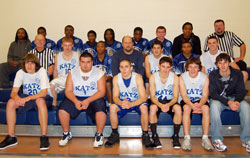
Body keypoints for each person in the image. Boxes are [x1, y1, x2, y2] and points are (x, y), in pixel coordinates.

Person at [0, 54, 52, 150]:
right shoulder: (20, 72)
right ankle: (11, 137)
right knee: (11, 102)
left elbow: (43, 93)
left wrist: (27, 99)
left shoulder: (42, 71)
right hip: (27, 97)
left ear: (36, 64)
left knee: (40, 101)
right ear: (24, 64)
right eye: (27, 63)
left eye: (32, 63)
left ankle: (44, 137)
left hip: (43, 98)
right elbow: (13, 93)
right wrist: (17, 98)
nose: (29, 66)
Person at [58, 53, 107, 148]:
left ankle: (99, 134)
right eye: (83, 62)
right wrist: (76, 101)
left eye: (88, 62)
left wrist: (88, 101)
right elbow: (68, 91)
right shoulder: (72, 72)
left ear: (92, 62)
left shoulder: (99, 72)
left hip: (93, 97)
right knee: (62, 110)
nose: (85, 65)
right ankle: (66, 133)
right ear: (79, 62)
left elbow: (101, 92)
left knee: (101, 110)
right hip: (76, 97)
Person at [105, 59, 152, 149]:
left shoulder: (137, 77)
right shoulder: (116, 78)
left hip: (137, 102)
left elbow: (143, 97)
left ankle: (145, 135)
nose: (124, 69)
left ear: (131, 68)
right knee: (112, 107)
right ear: (119, 68)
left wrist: (131, 104)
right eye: (121, 67)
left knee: (144, 108)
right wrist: (121, 103)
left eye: (126, 67)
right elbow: (115, 97)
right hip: (123, 102)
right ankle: (115, 134)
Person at [209, 53, 250, 152]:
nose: (223, 66)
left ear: (229, 63)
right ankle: (217, 140)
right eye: (220, 63)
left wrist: (235, 101)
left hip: (235, 99)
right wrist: (228, 102)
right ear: (217, 64)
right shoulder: (213, 75)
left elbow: (241, 91)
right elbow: (213, 94)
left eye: (225, 63)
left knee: (246, 107)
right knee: (214, 106)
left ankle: (247, 139)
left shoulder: (237, 73)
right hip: (220, 100)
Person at [179, 57, 213, 151]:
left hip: (200, 100)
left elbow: (205, 95)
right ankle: (187, 138)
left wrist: (199, 104)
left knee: (206, 108)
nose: (193, 69)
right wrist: (192, 105)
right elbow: (184, 95)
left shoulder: (204, 77)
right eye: (190, 67)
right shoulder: (182, 77)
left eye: (195, 67)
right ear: (187, 68)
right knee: (186, 108)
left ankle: (205, 138)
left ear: (199, 68)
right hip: (187, 100)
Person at [149, 57, 182, 149]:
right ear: (159, 66)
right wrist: (161, 105)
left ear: (171, 68)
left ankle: (175, 136)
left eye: (168, 67)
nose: (165, 69)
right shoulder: (153, 77)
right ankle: (154, 136)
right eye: (163, 66)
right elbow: (152, 96)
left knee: (178, 109)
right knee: (152, 108)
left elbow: (175, 97)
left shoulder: (175, 77)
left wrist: (168, 105)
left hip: (170, 101)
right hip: (157, 100)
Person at [50, 37, 80, 106]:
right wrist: (55, 80)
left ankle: (75, 103)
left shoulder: (78, 55)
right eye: (65, 45)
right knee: (51, 85)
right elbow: (55, 70)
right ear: (62, 45)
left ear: (72, 45)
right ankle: (54, 103)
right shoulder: (57, 56)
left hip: (73, 79)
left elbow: (80, 70)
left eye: (69, 45)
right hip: (61, 78)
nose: (67, 47)